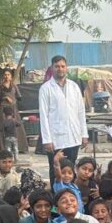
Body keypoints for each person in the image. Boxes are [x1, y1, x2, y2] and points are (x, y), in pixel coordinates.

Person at [39, 55, 88, 183]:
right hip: (56, 139)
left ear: (66, 68)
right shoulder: (45, 88)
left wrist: (84, 134)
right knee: (56, 170)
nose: (60, 69)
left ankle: (70, 194)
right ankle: (56, 194)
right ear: (52, 68)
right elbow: (43, 115)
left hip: (73, 137)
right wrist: (47, 140)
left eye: (62, 66)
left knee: (71, 170)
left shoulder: (74, 87)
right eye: (57, 66)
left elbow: (81, 111)